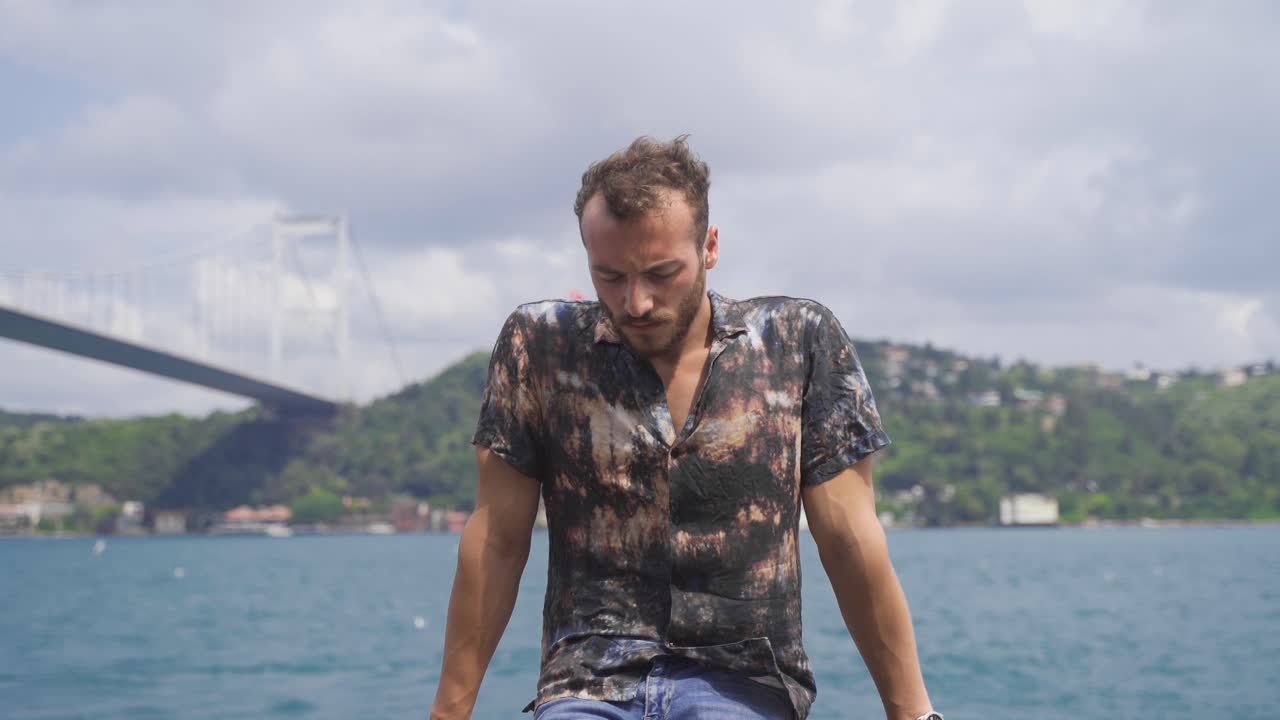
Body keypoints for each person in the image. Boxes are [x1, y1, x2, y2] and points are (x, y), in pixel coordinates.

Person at [428, 136, 940, 720]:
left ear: (710, 246)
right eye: (610, 276)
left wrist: (914, 713)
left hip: (742, 680)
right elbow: (496, 540)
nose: (636, 302)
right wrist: (448, 712)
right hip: (588, 681)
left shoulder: (797, 343)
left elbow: (850, 538)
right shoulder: (539, 348)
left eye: (661, 273)